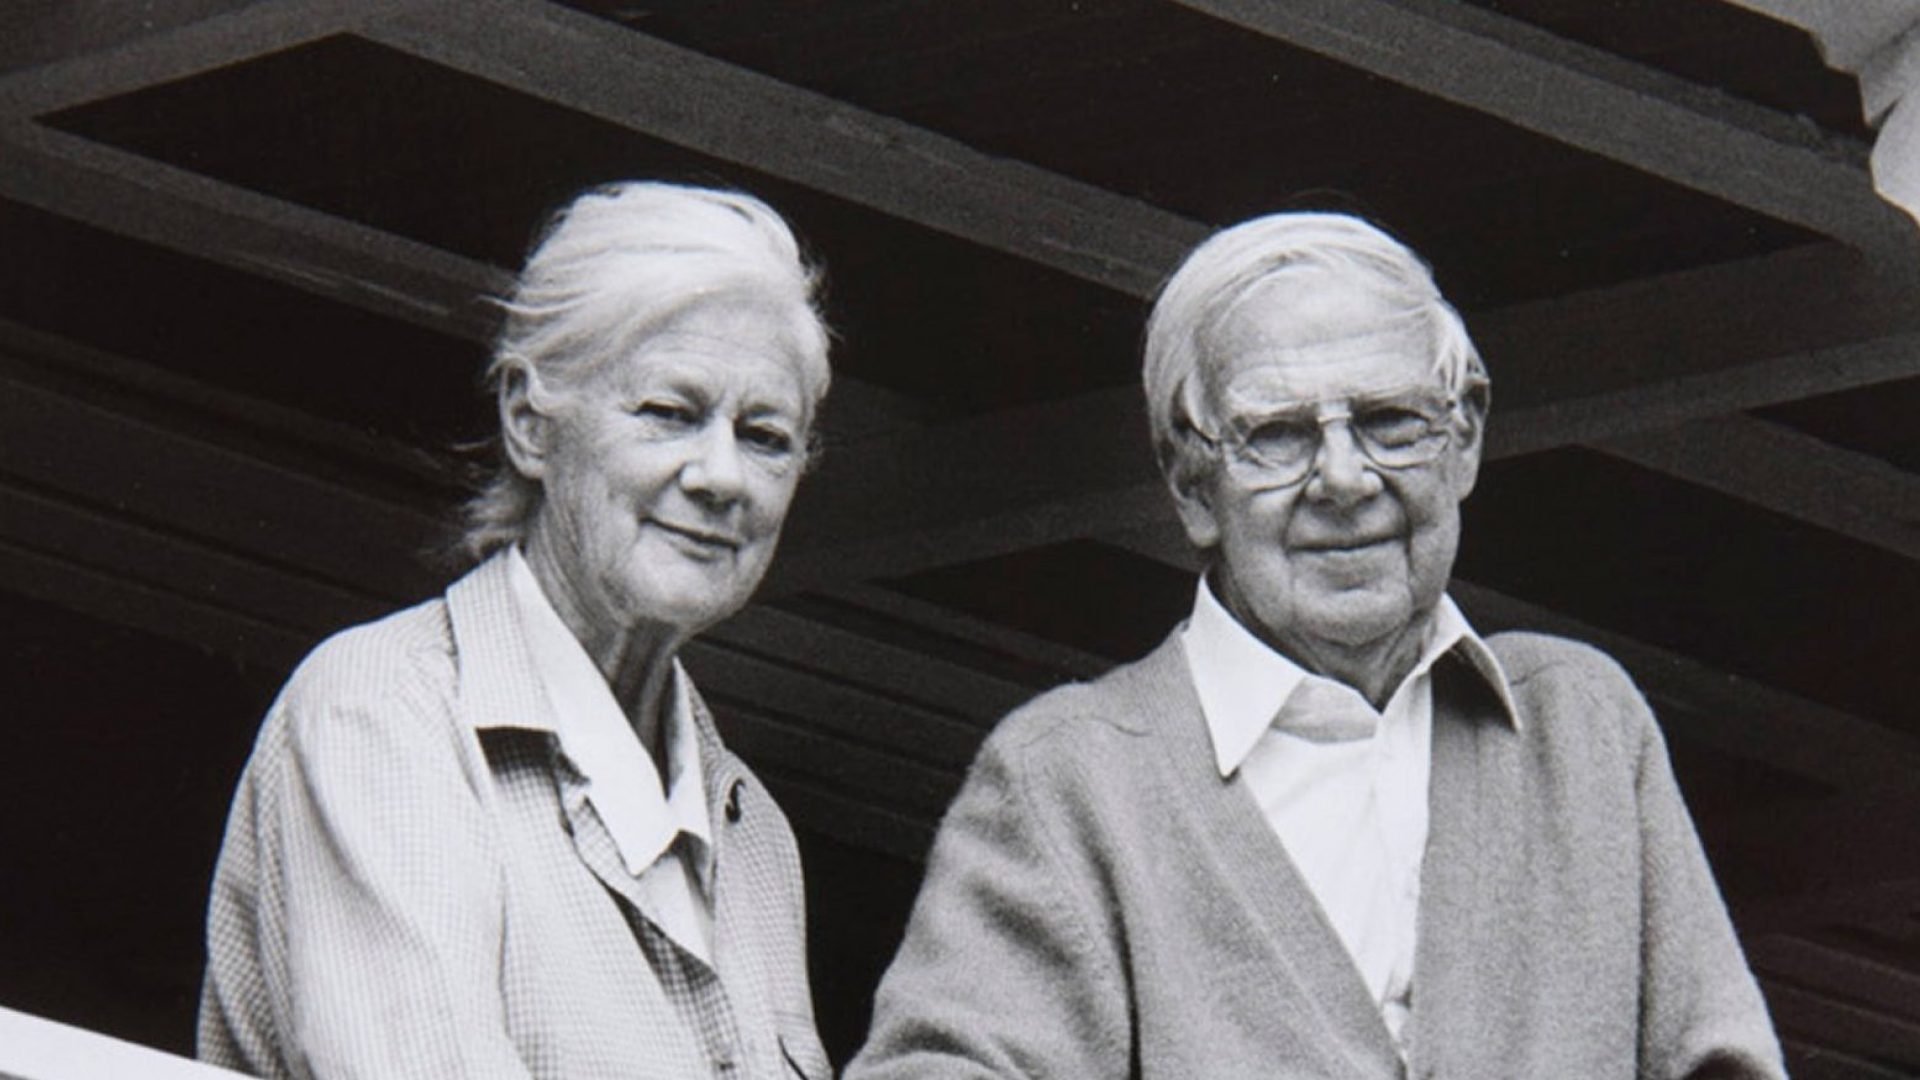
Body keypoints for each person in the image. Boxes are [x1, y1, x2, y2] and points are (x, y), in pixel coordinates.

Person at [847, 212, 1785, 1079]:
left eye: (1389, 423)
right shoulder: (1072, 777)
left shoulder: (1581, 724)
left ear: (1464, 439)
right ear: (1190, 482)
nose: (1344, 480)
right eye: (1280, 436)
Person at [198, 181, 834, 1079]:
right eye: (670, 412)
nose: (722, 475)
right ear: (531, 425)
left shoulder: (754, 835)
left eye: (765, 434)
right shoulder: (385, 715)